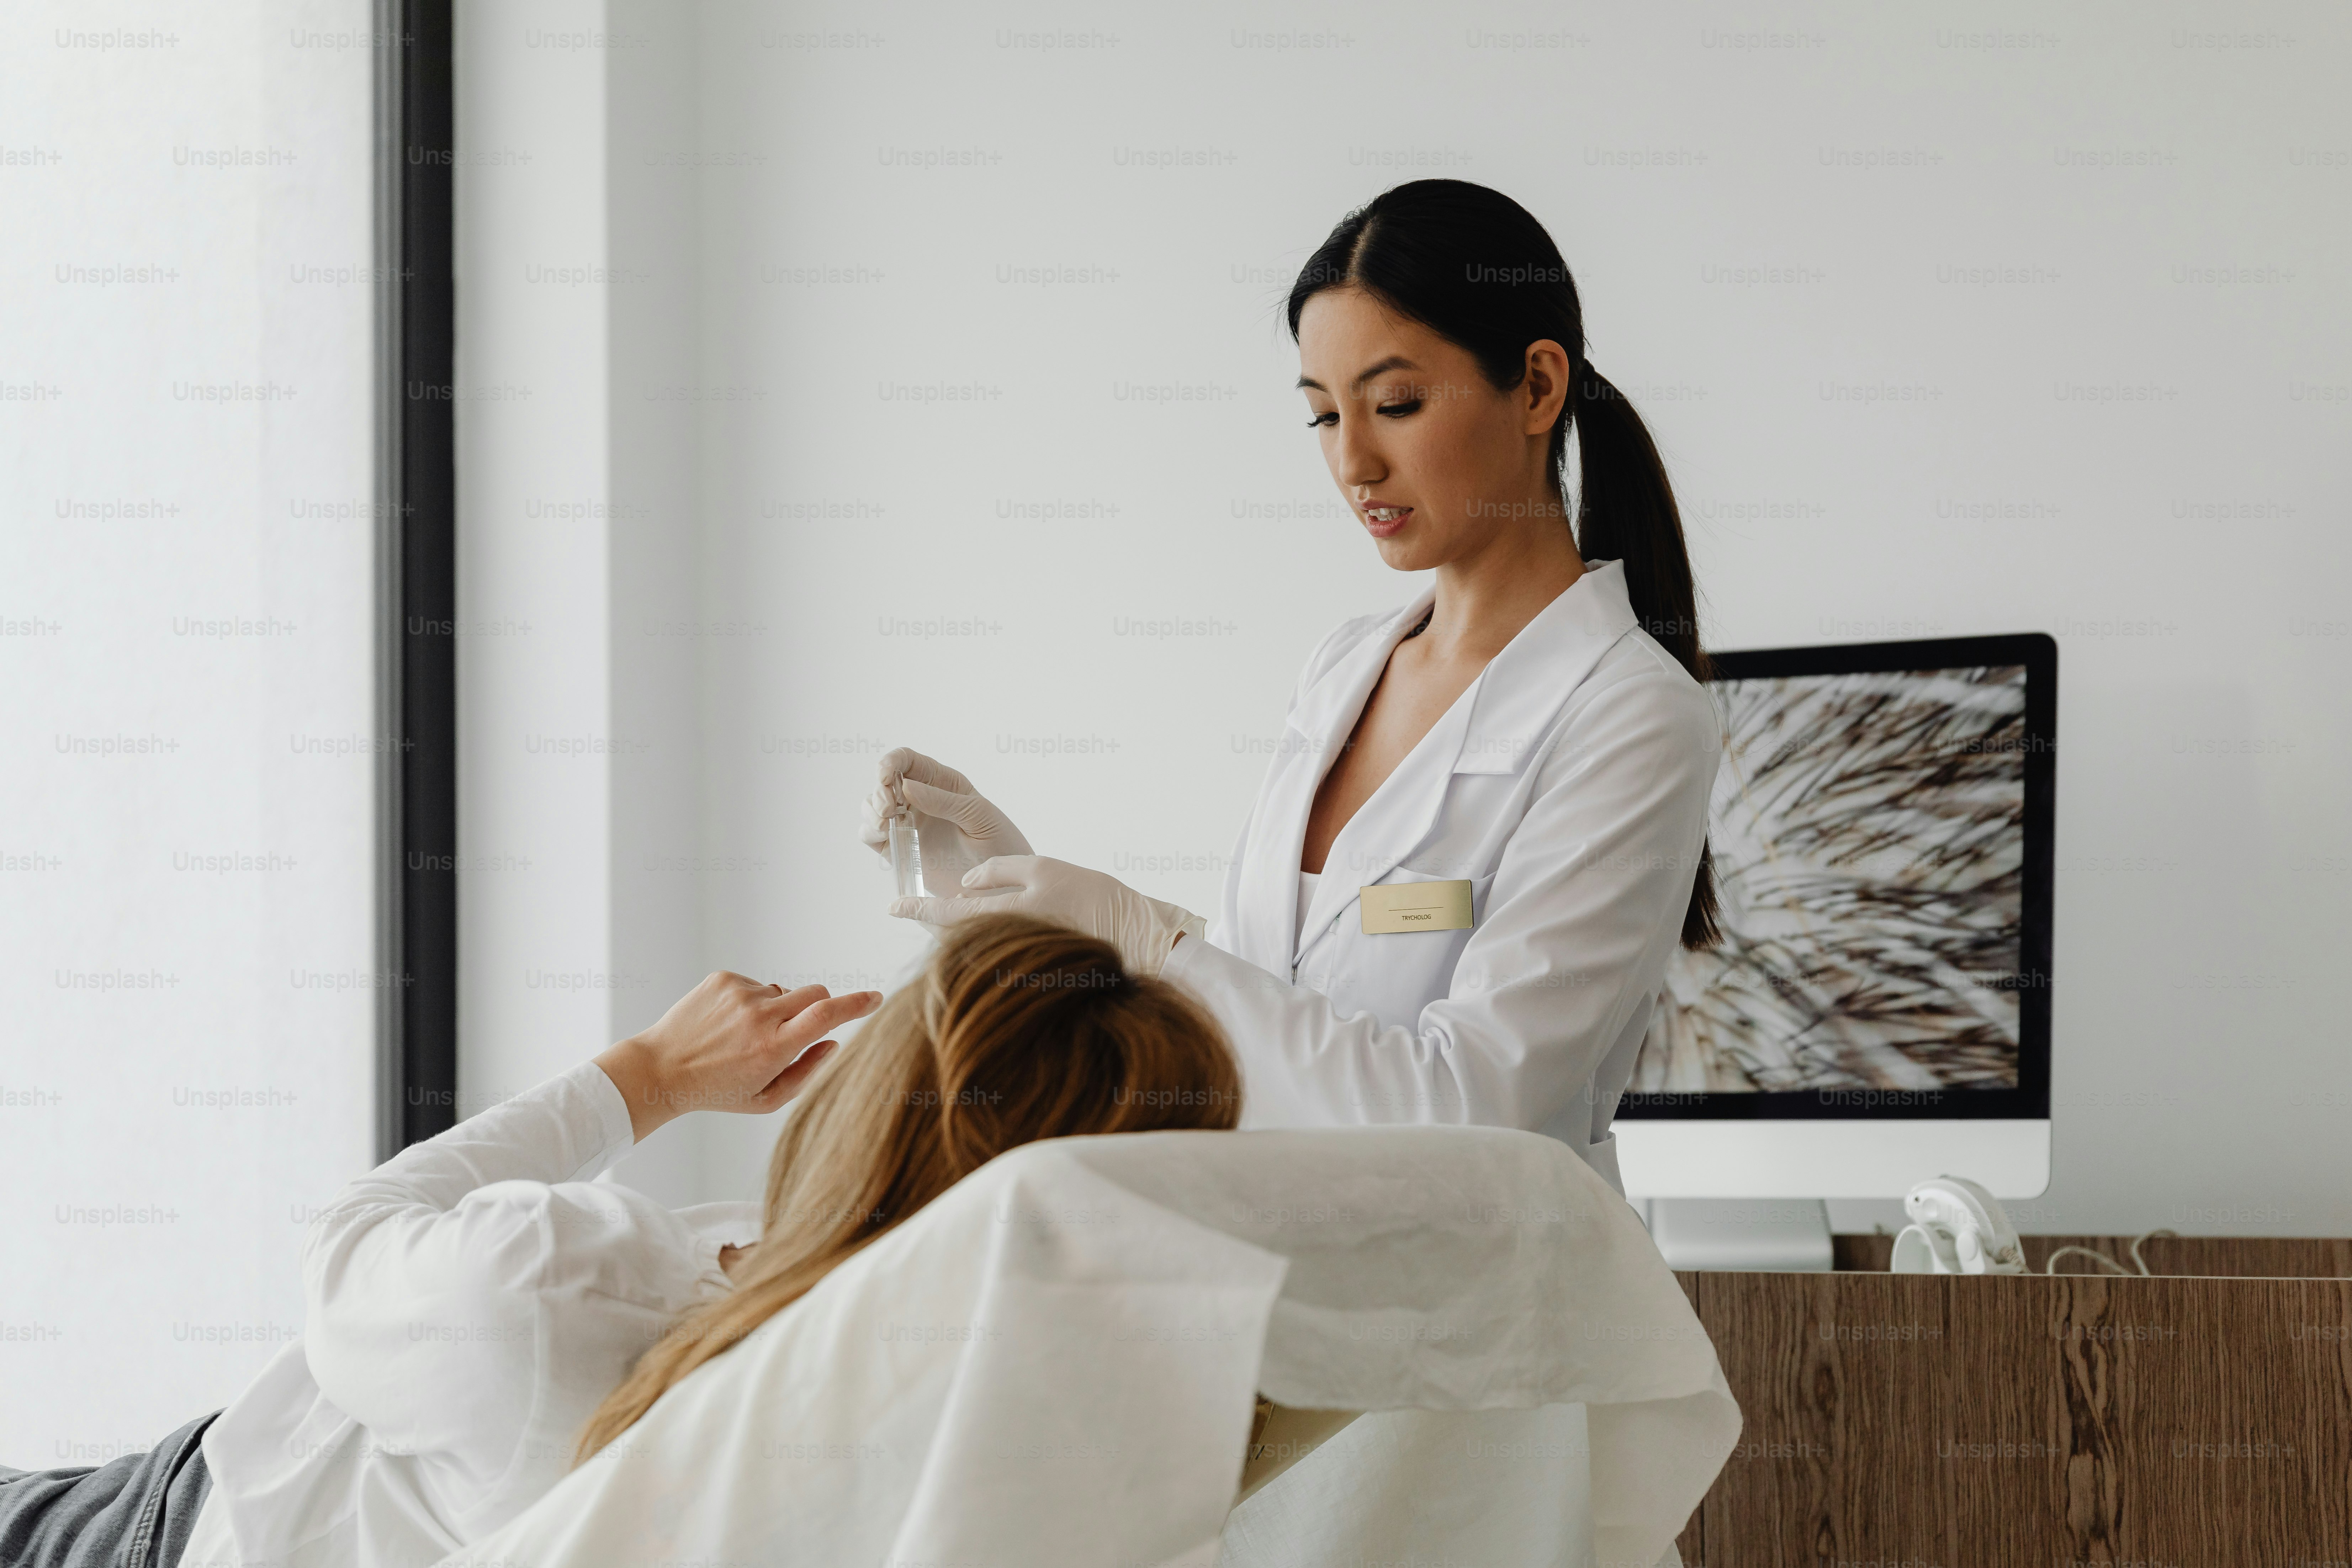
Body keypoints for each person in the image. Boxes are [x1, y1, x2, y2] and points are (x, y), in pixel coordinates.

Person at [876, 179, 1722, 1197]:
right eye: (1323, 415)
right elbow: (1270, 1002)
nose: (1354, 461)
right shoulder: (1344, 666)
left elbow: (1470, 1105)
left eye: (1396, 405)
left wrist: (1147, 939)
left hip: (1481, 1275)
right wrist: (1046, 915)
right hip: (1276, 1254)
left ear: (1538, 388)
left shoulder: (1632, 714)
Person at [1, 915, 1238, 1568]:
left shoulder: (565, 1303)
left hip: (167, 1532)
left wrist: (646, 1074)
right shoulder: (970, 1446)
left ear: (879, 1106)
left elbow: (348, 1243)